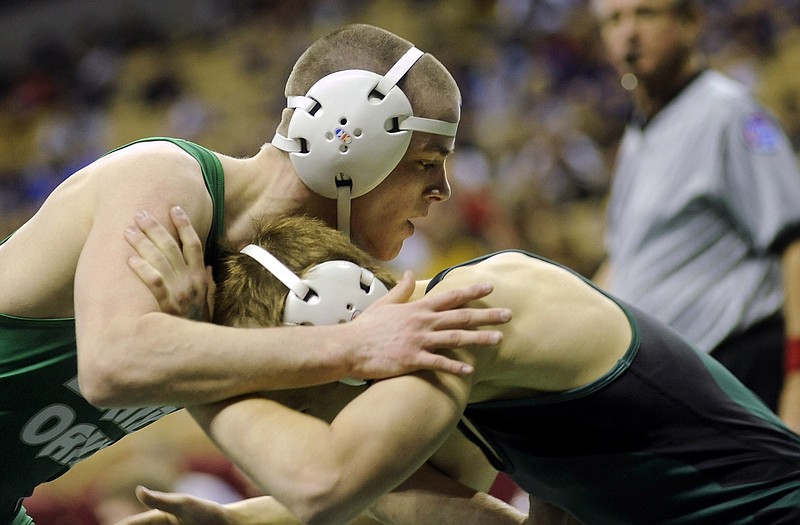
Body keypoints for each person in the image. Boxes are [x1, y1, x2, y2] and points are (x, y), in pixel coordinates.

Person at [0, 24, 514, 525]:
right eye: (429, 161)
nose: (443, 189)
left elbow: (375, 487)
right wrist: (353, 345)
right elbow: (111, 363)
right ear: (351, 139)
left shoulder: (292, 283)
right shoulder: (163, 178)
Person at [121, 213, 800, 525]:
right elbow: (418, 502)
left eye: (299, 388)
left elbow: (330, 482)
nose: (310, 414)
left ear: (335, 315)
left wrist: (183, 366)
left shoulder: (472, 312)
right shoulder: (449, 366)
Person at [589, 0, 800, 422]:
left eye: (646, 14)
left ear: (690, 22)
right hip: (670, 394)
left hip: (734, 380)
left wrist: (798, 376)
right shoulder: (639, 132)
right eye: (614, 19)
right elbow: (625, 262)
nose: (628, 32)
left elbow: (794, 244)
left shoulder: (728, 112)